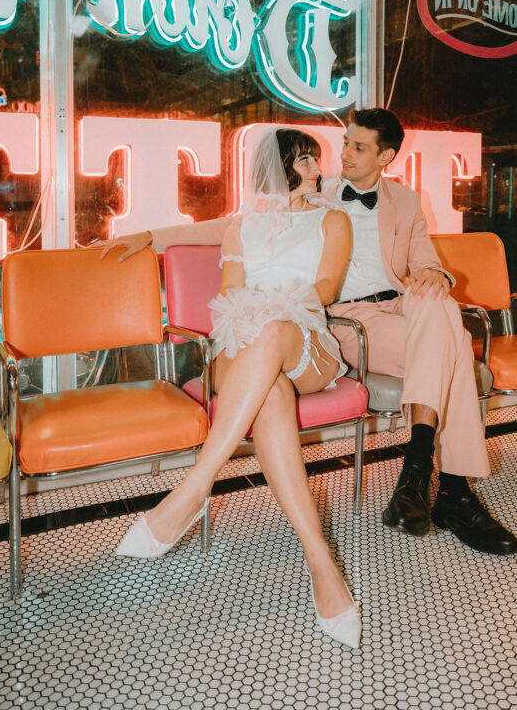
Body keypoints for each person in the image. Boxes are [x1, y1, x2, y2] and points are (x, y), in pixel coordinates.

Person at [104, 128, 361, 649]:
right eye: (308, 157)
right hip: (242, 342)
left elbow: (328, 288)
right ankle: (319, 561)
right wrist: (252, 319)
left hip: (305, 337)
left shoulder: (333, 219)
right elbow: (229, 294)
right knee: (267, 390)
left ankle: (194, 488)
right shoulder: (241, 226)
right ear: (291, 165)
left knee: (273, 334)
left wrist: (275, 311)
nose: (318, 164)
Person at [326, 108, 517, 555]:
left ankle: (418, 475)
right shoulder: (318, 195)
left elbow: (426, 261)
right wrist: (147, 238)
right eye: (346, 143)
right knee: (454, 357)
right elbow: (238, 229)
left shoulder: (406, 200)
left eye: (359, 146)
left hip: (400, 305)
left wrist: (437, 276)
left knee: (439, 301)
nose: (346, 153)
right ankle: (451, 491)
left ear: (386, 156)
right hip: (351, 322)